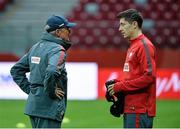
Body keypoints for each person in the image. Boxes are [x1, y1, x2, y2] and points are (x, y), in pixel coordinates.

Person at [10, 15, 76, 128]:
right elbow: (51, 71)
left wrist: (32, 92)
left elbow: (16, 70)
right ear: (58, 32)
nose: (70, 31)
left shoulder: (35, 47)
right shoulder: (58, 49)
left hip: (34, 106)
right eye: (67, 29)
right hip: (48, 108)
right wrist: (50, 92)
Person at [106, 9, 156, 128]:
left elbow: (149, 76)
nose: (119, 29)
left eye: (123, 24)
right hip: (131, 108)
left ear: (134, 24)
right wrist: (116, 85)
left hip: (139, 109)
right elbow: (135, 76)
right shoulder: (133, 45)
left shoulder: (144, 45)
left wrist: (121, 86)